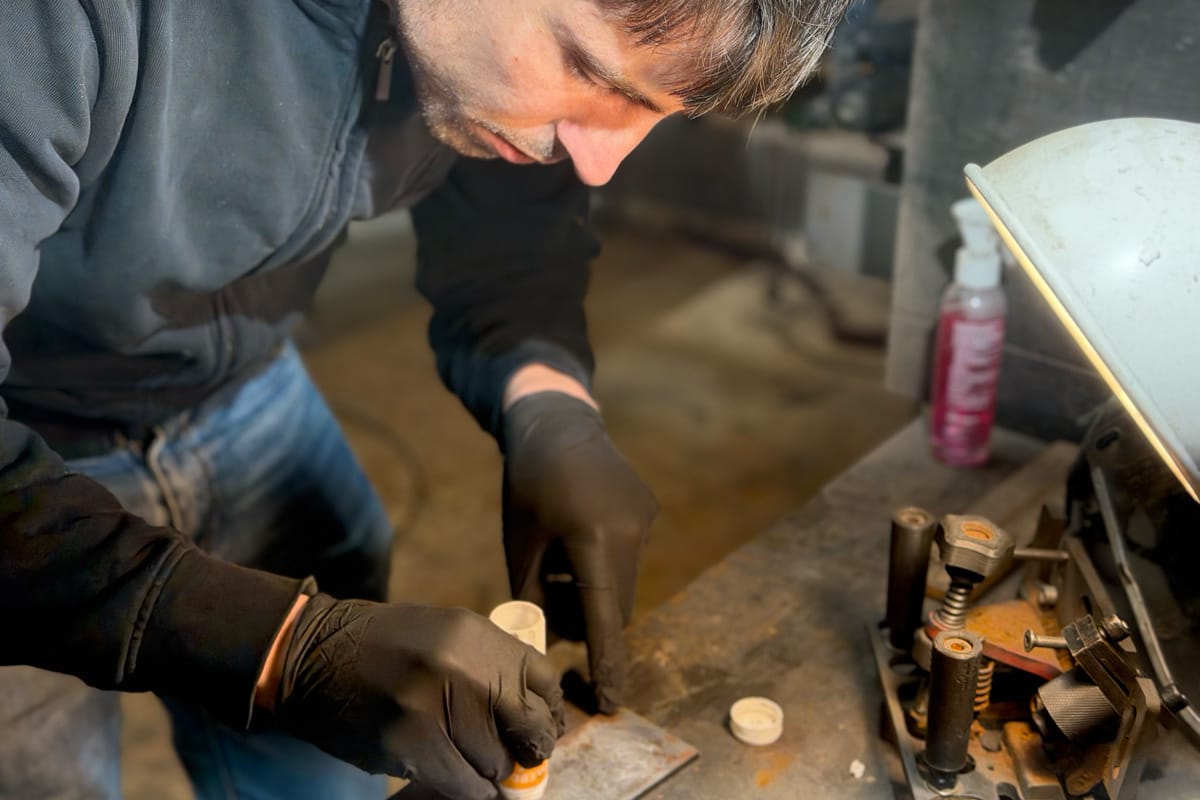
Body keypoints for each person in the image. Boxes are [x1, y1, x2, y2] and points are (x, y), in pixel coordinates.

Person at [0, 0, 848, 797]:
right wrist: (287, 648)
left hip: (244, 391)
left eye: (654, 112)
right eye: (589, 70)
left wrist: (547, 403)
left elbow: (508, 237)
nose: (600, 161)